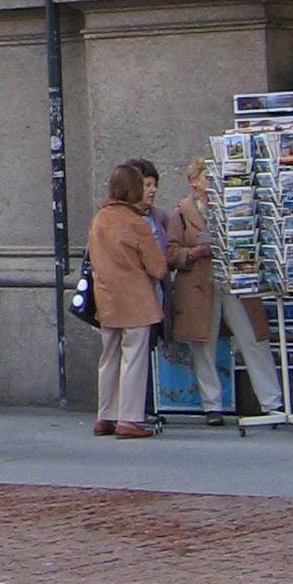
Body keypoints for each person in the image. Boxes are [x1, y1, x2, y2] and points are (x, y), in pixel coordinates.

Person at [168, 158, 281, 421]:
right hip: (200, 284)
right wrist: (196, 252)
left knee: (253, 336)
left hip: (234, 281)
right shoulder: (181, 213)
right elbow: (171, 253)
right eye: (207, 176)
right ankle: (212, 405)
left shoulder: (230, 204)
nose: (212, 181)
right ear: (194, 181)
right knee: (203, 345)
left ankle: (271, 400)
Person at [88, 162, 168, 438]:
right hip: (136, 301)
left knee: (108, 357)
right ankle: (129, 418)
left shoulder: (99, 218)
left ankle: (105, 415)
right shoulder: (136, 222)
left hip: (106, 299)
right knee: (133, 357)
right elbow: (158, 267)